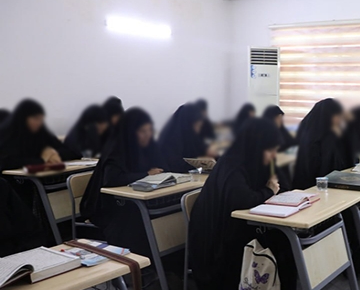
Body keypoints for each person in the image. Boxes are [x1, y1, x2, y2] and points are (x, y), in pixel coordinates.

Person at [188, 118, 298, 290]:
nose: (273, 155)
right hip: (218, 248)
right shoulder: (232, 166)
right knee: (276, 244)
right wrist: (269, 190)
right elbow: (242, 200)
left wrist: (275, 189)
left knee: (284, 244)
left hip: (243, 231)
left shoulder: (256, 161)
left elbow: (280, 186)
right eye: (270, 150)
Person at [80, 108, 165, 260]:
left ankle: (162, 262)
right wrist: (146, 174)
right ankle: (142, 263)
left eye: (150, 130)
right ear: (131, 132)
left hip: (133, 201)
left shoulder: (147, 146)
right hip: (108, 207)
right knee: (138, 219)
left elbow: (161, 168)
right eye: (142, 131)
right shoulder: (117, 147)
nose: (148, 135)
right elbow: (111, 179)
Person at [0, 99, 79, 171]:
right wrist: (42, 159)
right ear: (23, 118)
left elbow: (72, 152)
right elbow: (6, 162)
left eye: (41, 119)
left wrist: (53, 154)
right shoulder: (7, 135)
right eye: (35, 118)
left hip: (45, 178)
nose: (38, 123)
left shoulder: (41, 133)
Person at [292, 98, 347, 189]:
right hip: (313, 188)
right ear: (328, 116)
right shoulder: (319, 139)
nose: (340, 119)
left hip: (323, 185)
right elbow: (328, 169)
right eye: (337, 115)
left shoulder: (320, 132)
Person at [158, 103, 212, 173]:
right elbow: (176, 165)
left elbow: (202, 150)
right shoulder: (170, 140)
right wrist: (199, 162)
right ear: (187, 124)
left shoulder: (190, 136)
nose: (198, 130)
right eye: (197, 125)